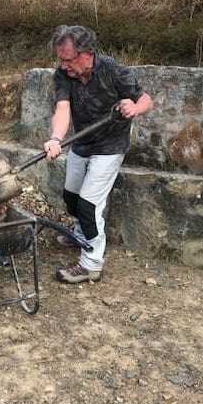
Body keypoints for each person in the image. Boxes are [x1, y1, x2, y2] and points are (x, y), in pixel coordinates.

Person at [44, 24, 153, 284]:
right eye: (60, 59)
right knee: (71, 197)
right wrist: (55, 138)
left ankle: (91, 263)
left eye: (68, 59)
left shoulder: (113, 70)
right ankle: (81, 235)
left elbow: (145, 99)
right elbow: (62, 110)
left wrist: (133, 108)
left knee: (89, 204)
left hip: (110, 146)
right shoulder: (63, 75)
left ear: (87, 53)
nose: (63, 65)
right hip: (82, 144)